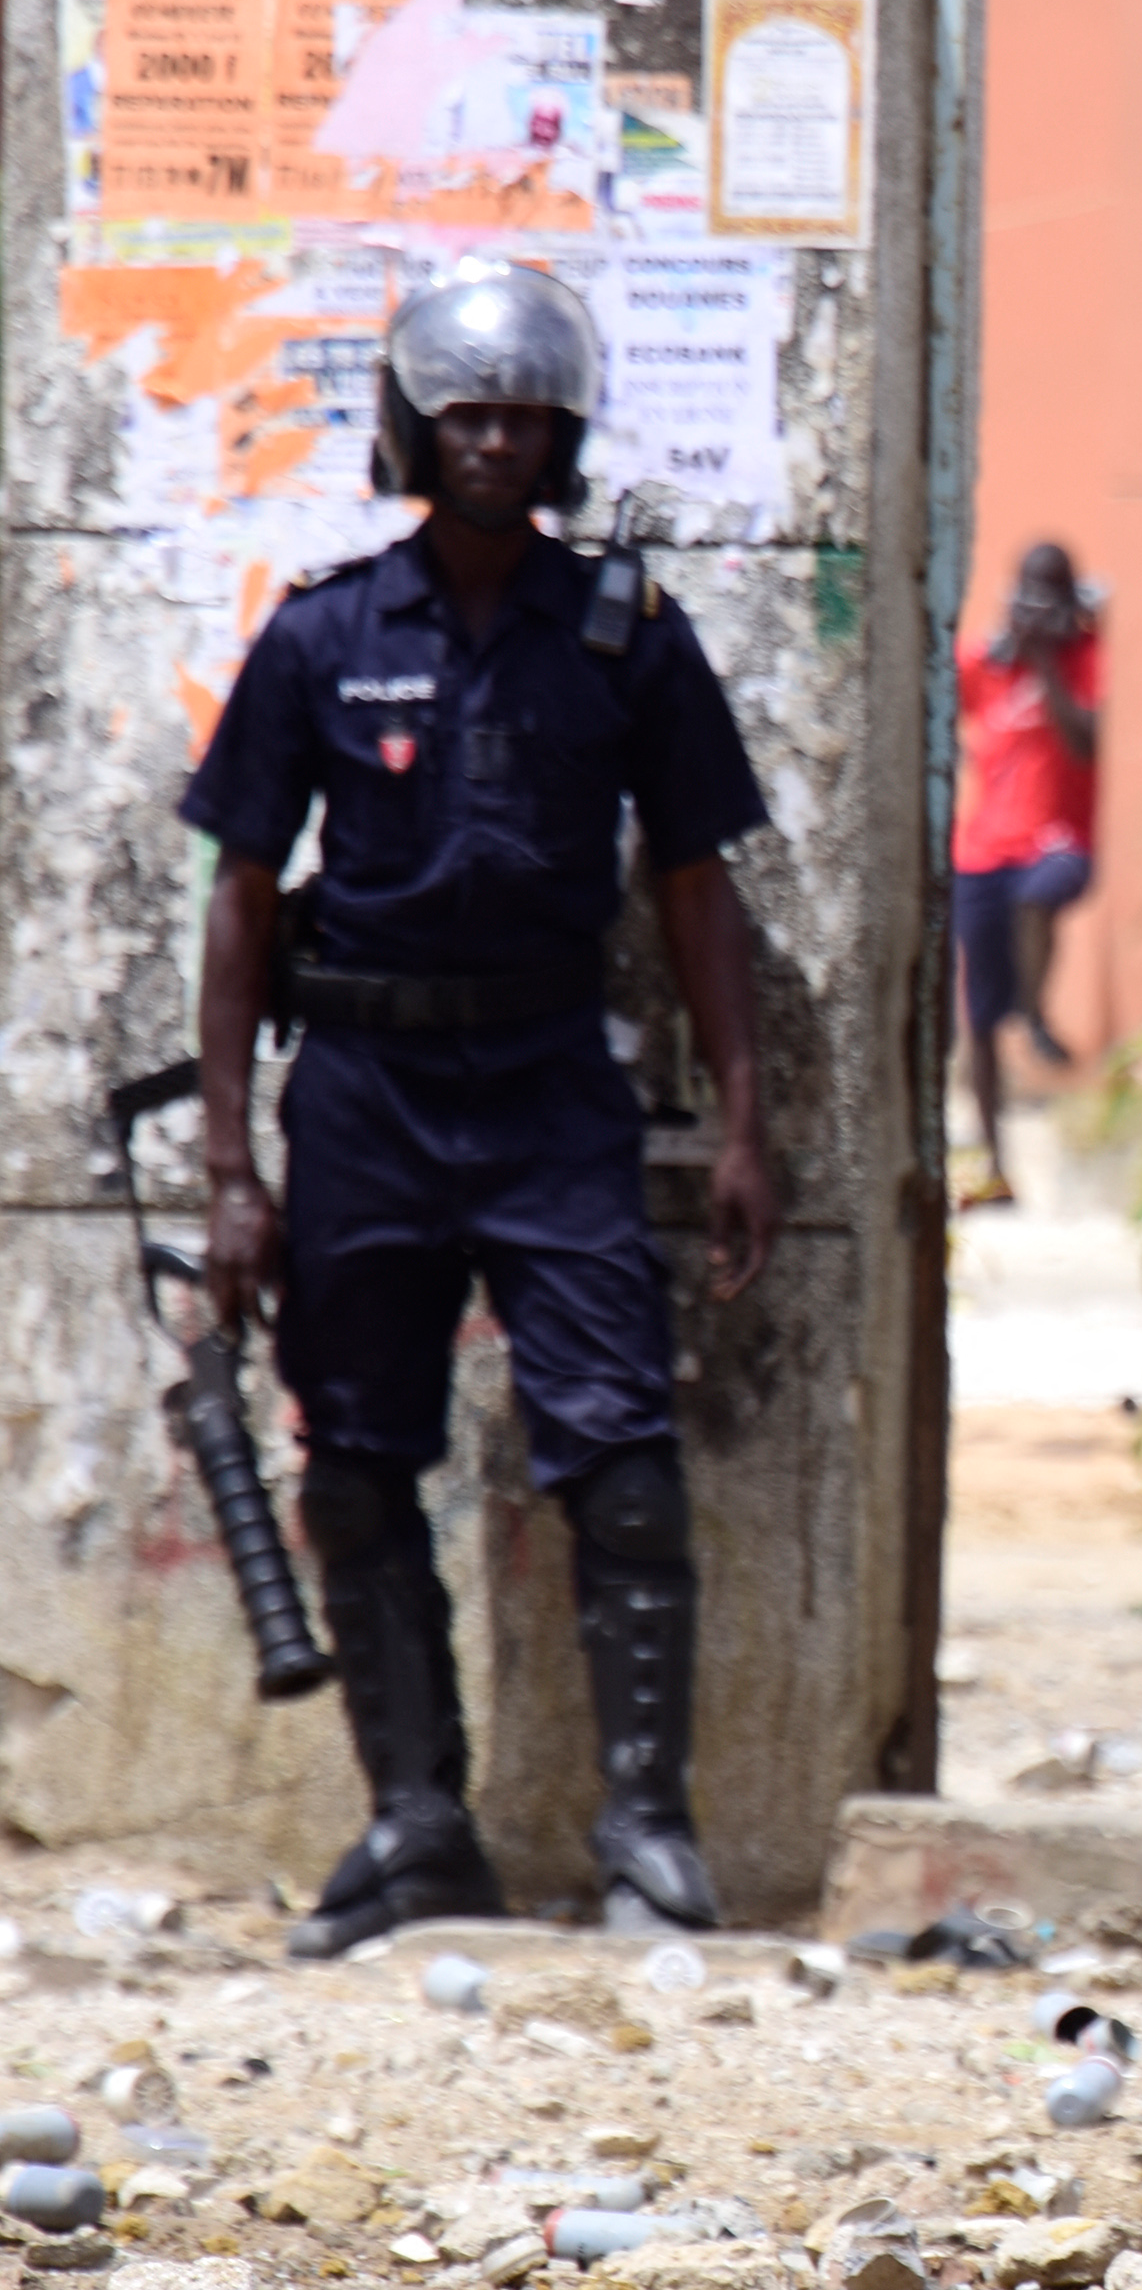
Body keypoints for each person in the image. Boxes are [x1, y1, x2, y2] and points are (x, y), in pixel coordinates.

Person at [180, 261, 775, 1956]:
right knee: (358, 1459)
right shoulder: (320, 635)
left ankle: (649, 1830)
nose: (498, 442)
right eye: (467, 416)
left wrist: (742, 1120)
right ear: (413, 431)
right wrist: (232, 1166)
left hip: (549, 1085)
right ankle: (416, 1822)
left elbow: (695, 886)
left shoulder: (625, 638)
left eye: (526, 416)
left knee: (624, 1454)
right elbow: (239, 901)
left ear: (566, 435)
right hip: (359, 1094)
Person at [951, 542, 1103, 1209]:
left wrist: (1048, 659)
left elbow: (1085, 742)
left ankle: (1036, 1010)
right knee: (978, 1018)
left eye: (1051, 594)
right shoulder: (988, 664)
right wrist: (1010, 644)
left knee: (1043, 896)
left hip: (1058, 841)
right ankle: (994, 1164)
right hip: (984, 850)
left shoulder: (1083, 663)